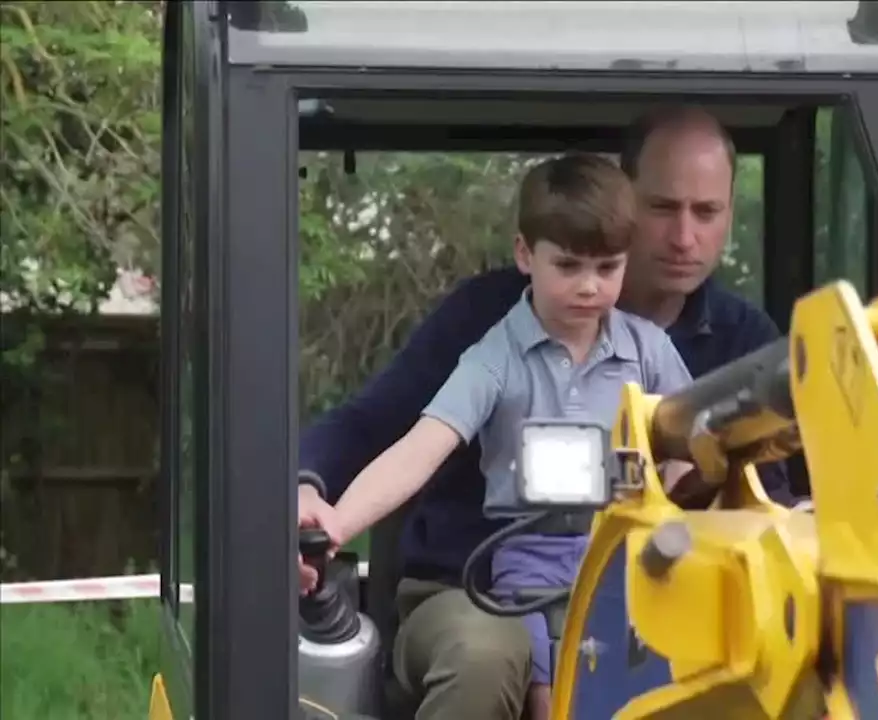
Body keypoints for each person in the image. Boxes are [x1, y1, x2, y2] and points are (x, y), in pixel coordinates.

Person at [298, 105, 794, 720]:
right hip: (483, 583)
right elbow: (391, 431)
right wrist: (316, 497)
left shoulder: (728, 345)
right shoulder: (489, 334)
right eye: (664, 209)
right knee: (499, 662)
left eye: (708, 212)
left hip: (642, 577)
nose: (685, 237)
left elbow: (733, 473)